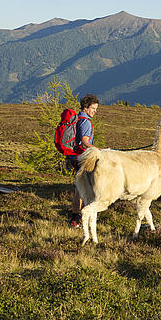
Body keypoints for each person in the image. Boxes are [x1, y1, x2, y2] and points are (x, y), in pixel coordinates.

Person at [67, 94, 99, 228]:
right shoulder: (85, 122)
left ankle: (76, 218)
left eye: (96, 109)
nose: (95, 111)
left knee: (79, 190)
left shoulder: (78, 119)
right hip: (83, 159)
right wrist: (98, 151)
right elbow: (85, 142)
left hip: (75, 157)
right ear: (85, 108)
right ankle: (77, 219)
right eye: (93, 108)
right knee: (82, 191)